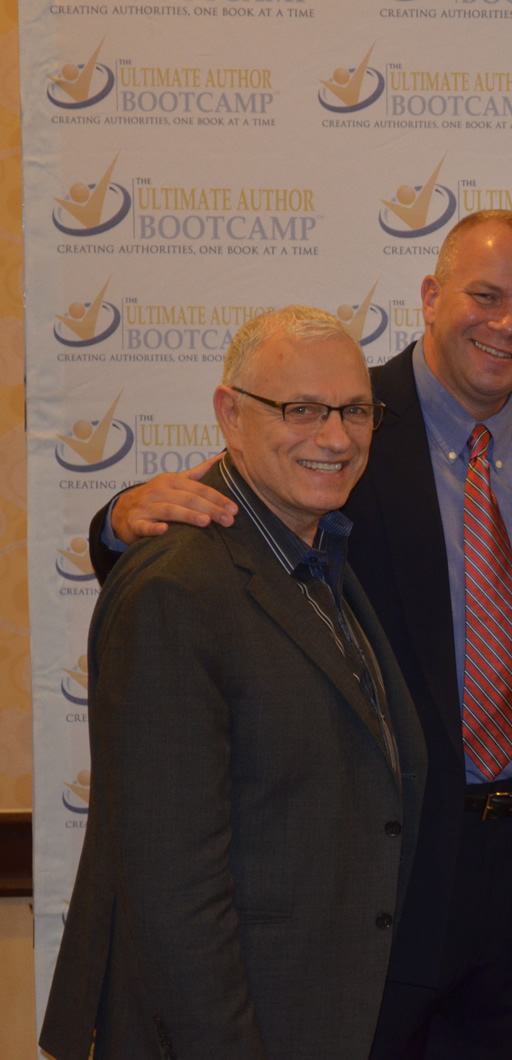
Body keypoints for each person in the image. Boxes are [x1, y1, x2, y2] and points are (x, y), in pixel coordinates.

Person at [83, 211, 512, 1059]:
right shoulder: (342, 427)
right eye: (485, 296)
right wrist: (118, 523)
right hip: (373, 877)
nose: (507, 324)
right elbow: (219, 542)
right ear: (431, 296)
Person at [40, 308, 427, 1060]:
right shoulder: (178, 588)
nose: (336, 438)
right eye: (301, 409)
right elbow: (173, 890)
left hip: (308, 1009)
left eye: (354, 411)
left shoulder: (313, 552)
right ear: (230, 415)